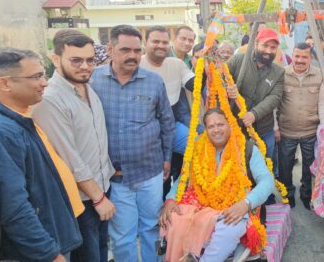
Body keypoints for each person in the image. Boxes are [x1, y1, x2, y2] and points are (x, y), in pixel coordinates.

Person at [0, 48, 83, 262]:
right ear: (3, 83)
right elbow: (12, 205)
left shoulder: (16, 116)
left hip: (50, 234)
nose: (44, 83)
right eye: (36, 76)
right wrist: (48, 253)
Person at [91, 24, 176, 262]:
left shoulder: (153, 82)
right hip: (115, 178)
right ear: (110, 49)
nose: (132, 56)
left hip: (150, 172)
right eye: (125, 49)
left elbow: (167, 122)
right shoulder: (93, 81)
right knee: (122, 236)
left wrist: (167, 157)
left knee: (154, 228)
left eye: (137, 50)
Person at [32, 30, 116, 262]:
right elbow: (68, 157)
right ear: (56, 59)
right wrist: (98, 198)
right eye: (76, 60)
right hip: (82, 199)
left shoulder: (88, 88)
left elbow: (96, 138)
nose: (85, 66)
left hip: (101, 189)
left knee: (100, 252)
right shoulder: (50, 98)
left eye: (90, 60)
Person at [159, 108, 274, 262]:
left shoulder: (246, 149)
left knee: (230, 227)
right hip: (202, 203)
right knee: (173, 217)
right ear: (205, 129)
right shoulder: (198, 149)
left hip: (235, 205)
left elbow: (267, 181)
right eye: (211, 126)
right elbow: (183, 179)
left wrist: (246, 203)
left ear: (230, 125)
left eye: (220, 124)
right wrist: (171, 199)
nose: (216, 130)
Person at [140, 26, 196, 198]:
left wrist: (207, 70)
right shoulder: (137, 64)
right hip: (145, 129)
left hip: (171, 125)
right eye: (155, 41)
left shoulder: (177, 64)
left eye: (164, 42)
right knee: (159, 175)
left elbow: (193, 84)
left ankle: (184, 197)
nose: (160, 46)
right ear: (146, 43)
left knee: (198, 146)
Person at [226, 28, 285, 179]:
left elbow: (274, 98)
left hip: (264, 129)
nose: (268, 51)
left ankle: (267, 198)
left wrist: (254, 114)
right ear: (255, 44)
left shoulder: (278, 72)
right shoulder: (238, 60)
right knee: (238, 165)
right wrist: (227, 89)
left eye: (272, 48)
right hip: (236, 128)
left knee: (266, 165)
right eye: (265, 46)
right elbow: (220, 77)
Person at [278, 43, 324, 210]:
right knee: (285, 167)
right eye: (296, 56)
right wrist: (275, 128)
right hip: (286, 131)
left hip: (310, 131)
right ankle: (288, 195)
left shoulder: (320, 75)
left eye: (304, 57)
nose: (299, 60)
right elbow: (274, 104)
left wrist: (323, 129)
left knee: (309, 166)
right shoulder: (282, 74)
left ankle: (307, 195)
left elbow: (322, 103)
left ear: (311, 58)